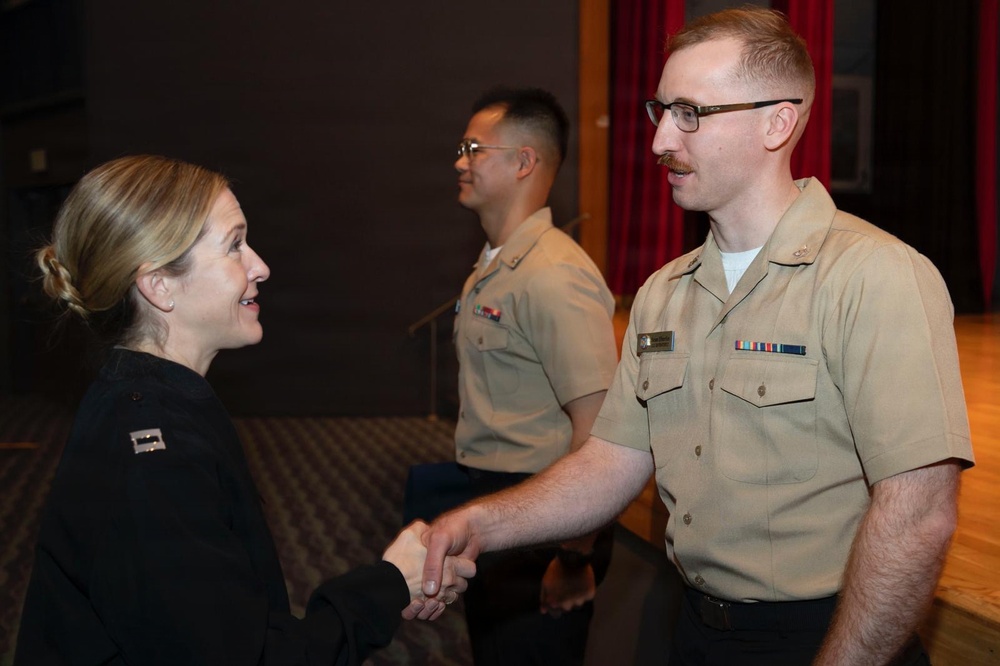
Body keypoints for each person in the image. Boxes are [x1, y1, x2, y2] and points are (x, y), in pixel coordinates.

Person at [413, 8, 975, 665]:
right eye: (661, 111)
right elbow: (608, 465)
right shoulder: (663, 294)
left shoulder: (875, 277)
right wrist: (483, 522)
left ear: (778, 122)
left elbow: (919, 517)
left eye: (691, 113)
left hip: (829, 637)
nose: (658, 142)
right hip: (698, 634)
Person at [14, 155, 473, 666]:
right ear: (159, 284)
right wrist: (392, 584)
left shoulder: (151, 402)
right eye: (234, 245)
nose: (260, 266)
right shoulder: (153, 457)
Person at [418, 87, 619, 665]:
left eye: (474, 148)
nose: (460, 161)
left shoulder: (553, 275)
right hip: (501, 508)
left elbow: (599, 434)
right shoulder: (500, 263)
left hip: (544, 528)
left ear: (525, 162)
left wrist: (573, 558)